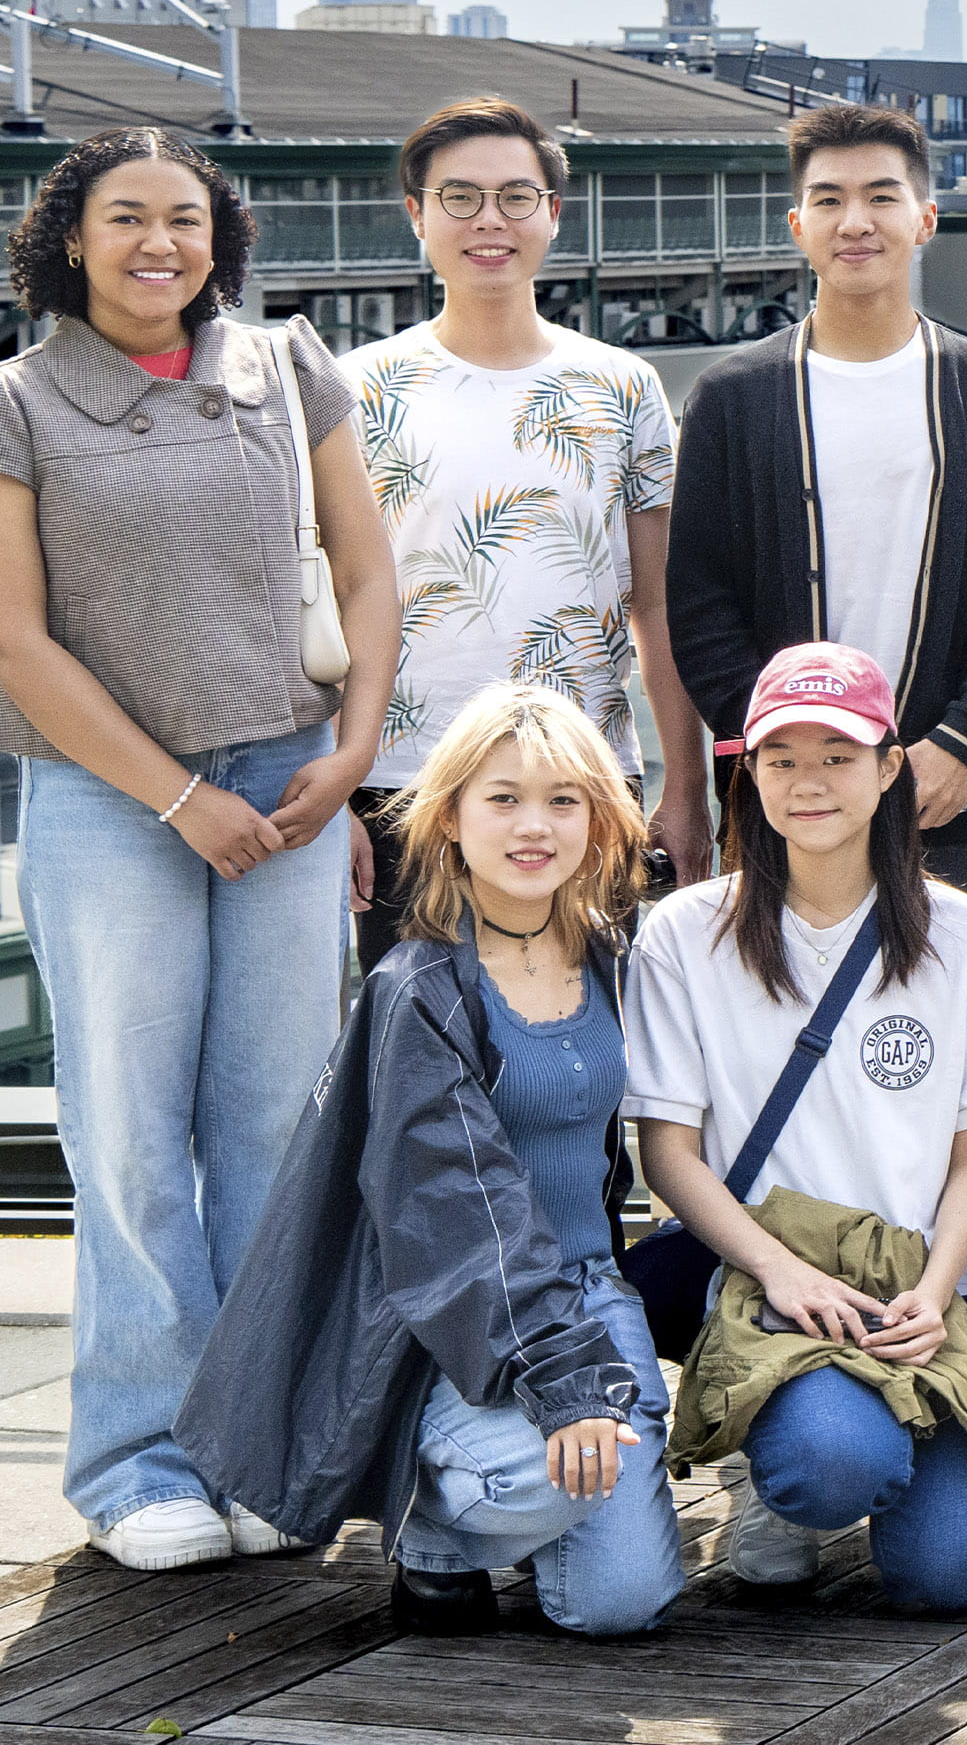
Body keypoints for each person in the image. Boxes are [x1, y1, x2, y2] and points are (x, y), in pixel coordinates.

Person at [0, 126, 397, 1570]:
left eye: (186, 219)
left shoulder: (287, 366)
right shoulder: (2, 401)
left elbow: (372, 565)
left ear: (222, 238)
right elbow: (12, 635)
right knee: (129, 1137)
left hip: (293, 780)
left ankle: (261, 1439)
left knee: (271, 1121)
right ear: (70, 236)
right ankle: (136, 1454)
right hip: (107, 795)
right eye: (127, 217)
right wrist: (172, 795)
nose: (161, 244)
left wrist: (361, 745)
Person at [663, 101, 967, 1278]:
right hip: (786, 801)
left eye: (881, 196)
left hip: (951, 792)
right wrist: (791, 763)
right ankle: (782, 1305)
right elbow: (702, 608)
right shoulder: (738, 398)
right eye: (830, 200)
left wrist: (962, 741)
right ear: (797, 226)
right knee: (772, 1055)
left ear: (925, 217)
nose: (856, 221)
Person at [183, 685, 676, 1638]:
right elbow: (465, 1210)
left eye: (564, 799)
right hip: (450, 1312)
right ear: (449, 816)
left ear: (599, 819)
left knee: (622, 1604)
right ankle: (438, 1536)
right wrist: (573, 1379)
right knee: (537, 1469)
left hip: (587, 1289)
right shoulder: (421, 990)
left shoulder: (618, 958)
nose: (535, 825)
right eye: (503, 798)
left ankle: (544, 1495)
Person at [626, 643, 967, 1615]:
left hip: (936, 1287)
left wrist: (936, 1292)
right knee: (828, 1465)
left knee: (953, 1576)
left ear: (890, 765)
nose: (808, 781)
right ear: (747, 770)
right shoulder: (683, 935)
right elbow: (668, 1154)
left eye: (837, 754)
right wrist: (779, 1269)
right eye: (781, 758)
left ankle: (895, 1438)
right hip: (781, 1279)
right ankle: (793, 1474)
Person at [344, 99, 699, 964]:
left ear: (553, 212)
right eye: (458, 197)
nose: (489, 220)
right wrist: (334, 801)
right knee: (421, 1055)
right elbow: (323, 606)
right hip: (404, 784)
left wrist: (685, 787)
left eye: (515, 195)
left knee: (589, 1054)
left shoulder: (622, 386)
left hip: (583, 782)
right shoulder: (355, 389)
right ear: (416, 215)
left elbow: (658, 606)